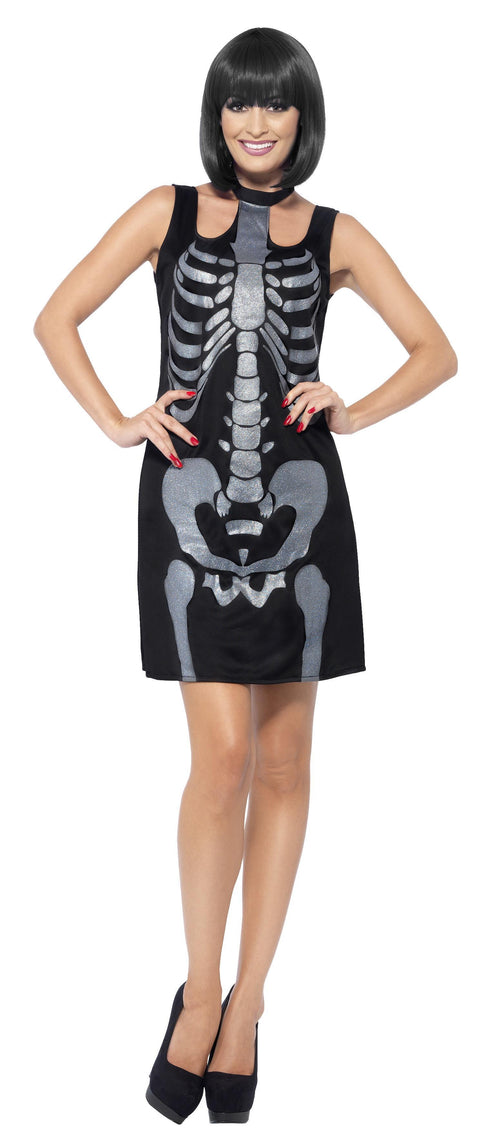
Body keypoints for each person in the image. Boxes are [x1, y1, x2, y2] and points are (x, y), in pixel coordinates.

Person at [33, 25, 457, 1126]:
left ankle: (250, 1002)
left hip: (301, 514)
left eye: (274, 103)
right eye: (236, 102)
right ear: (215, 115)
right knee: (221, 760)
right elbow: (54, 316)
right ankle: (198, 987)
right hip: (187, 503)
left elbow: (437, 351)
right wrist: (118, 420)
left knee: (287, 762)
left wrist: (350, 410)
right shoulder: (166, 211)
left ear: (302, 115)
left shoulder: (339, 233)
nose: (255, 122)